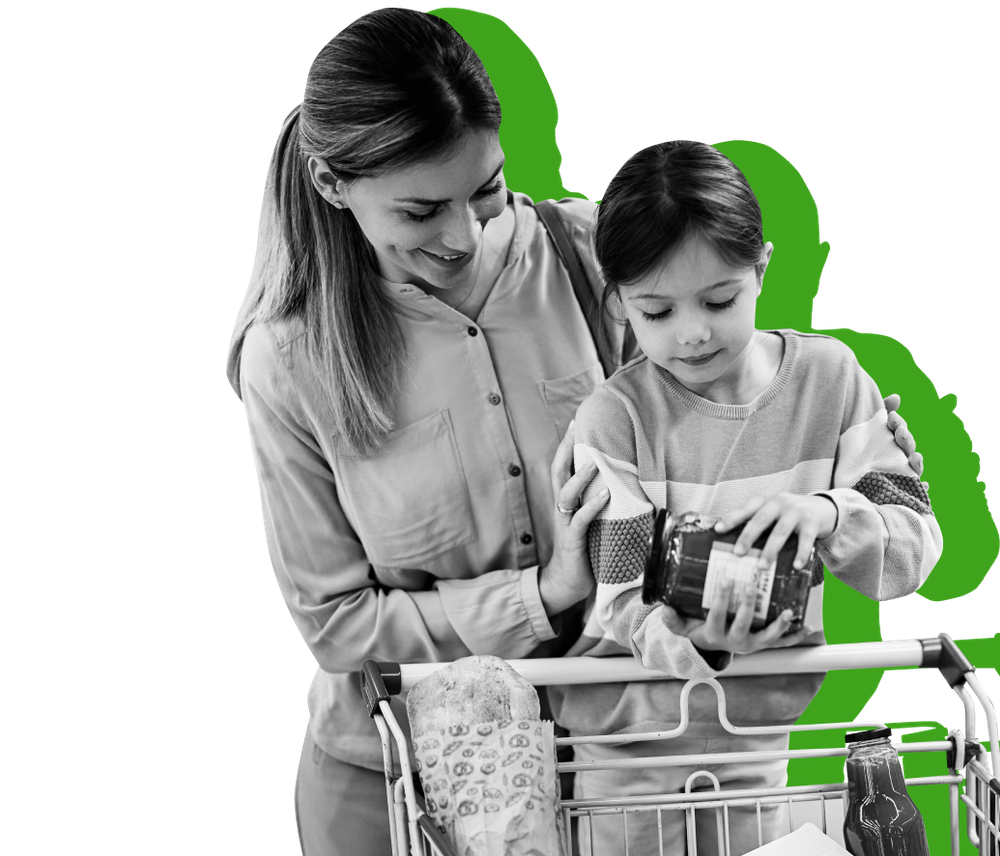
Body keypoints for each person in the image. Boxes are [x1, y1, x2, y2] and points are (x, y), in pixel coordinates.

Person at [225, 9, 924, 855]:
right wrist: (544, 592)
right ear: (335, 186)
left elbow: (717, 435)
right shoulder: (290, 358)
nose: (466, 234)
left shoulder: (593, 257)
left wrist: (854, 488)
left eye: (486, 187)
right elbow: (335, 624)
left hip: (632, 758)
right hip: (402, 776)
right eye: (420, 212)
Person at [547, 140, 942, 856]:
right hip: (628, 753)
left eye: (719, 299)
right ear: (619, 302)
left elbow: (911, 545)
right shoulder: (614, 418)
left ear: (760, 267)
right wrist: (709, 642)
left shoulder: (832, 381)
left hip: (759, 743)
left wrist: (826, 512)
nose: (692, 333)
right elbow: (620, 598)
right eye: (656, 312)